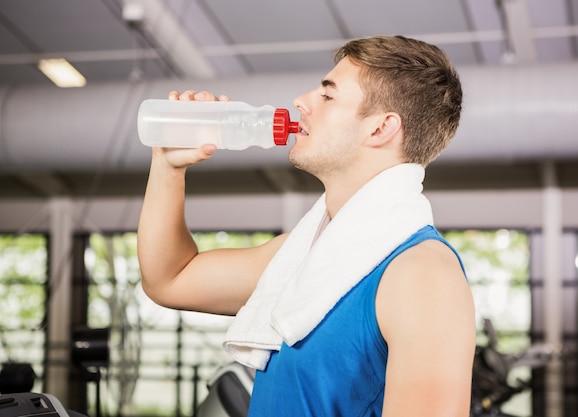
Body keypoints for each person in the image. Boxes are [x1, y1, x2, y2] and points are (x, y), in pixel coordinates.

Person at [138, 35, 475, 416]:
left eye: (328, 96)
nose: (301, 101)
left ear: (380, 129)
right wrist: (168, 165)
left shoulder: (423, 275)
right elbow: (170, 278)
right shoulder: (304, 257)